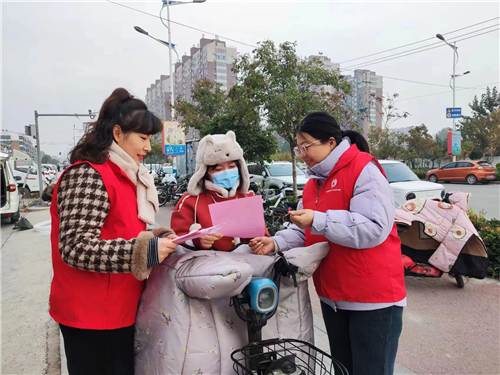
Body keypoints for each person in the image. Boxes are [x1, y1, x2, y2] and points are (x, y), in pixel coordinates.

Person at [250, 111, 406, 375]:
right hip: (333, 298)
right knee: (342, 371)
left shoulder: (363, 170)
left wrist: (318, 220)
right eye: (298, 148)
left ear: (331, 142)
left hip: (373, 301)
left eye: (307, 145)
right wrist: (274, 243)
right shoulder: (313, 184)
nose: (302, 153)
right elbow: (304, 232)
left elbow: (373, 228)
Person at [49, 88, 178, 375]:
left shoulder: (126, 175)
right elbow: (75, 246)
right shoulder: (89, 174)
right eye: (143, 139)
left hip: (121, 308)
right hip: (91, 316)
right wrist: (145, 251)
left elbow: (123, 230)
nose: (147, 147)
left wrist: (155, 238)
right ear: (118, 134)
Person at [171, 131, 267, 250]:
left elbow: (263, 237)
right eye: (219, 169)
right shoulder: (190, 202)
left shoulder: (247, 198)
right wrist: (197, 240)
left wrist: (259, 244)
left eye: (232, 167)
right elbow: (175, 240)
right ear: (205, 172)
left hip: (246, 265)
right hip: (206, 266)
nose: (227, 172)